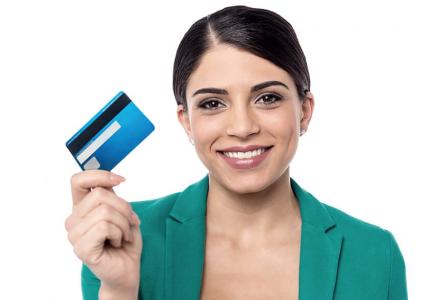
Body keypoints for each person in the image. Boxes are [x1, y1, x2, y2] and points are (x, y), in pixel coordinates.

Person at [65, 5, 407, 300]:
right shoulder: (123, 237)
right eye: (213, 103)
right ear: (187, 122)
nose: (242, 127)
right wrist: (119, 289)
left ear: (304, 111)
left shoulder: (374, 253)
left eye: (268, 98)